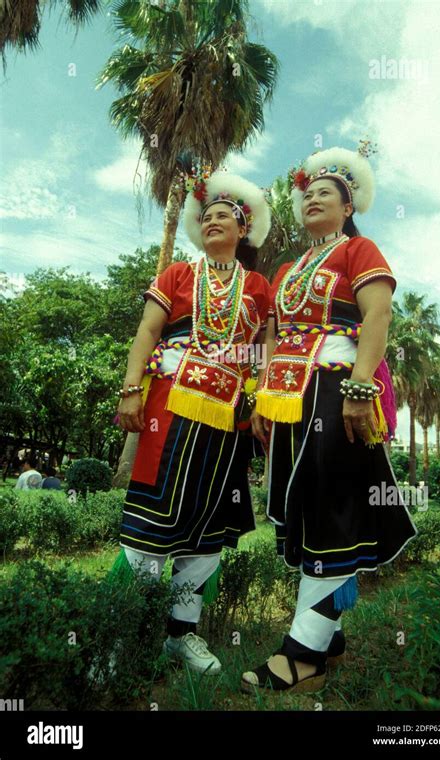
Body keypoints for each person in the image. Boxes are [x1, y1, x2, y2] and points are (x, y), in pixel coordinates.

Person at [241, 143, 418, 693]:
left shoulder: (359, 250)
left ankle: (304, 656)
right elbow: (271, 335)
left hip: (336, 389)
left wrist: (360, 387)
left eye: (327, 194)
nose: (313, 200)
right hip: (288, 399)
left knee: (330, 510)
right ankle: (328, 634)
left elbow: (377, 312)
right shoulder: (288, 268)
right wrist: (260, 395)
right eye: (309, 194)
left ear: (348, 208)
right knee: (303, 508)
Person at [116, 169, 271, 675]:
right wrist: (131, 388)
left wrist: (263, 399)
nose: (212, 222)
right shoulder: (178, 276)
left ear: (242, 229)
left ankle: (181, 636)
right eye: (206, 217)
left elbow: (265, 351)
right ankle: (118, 635)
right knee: (151, 521)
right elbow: (147, 329)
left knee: (207, 528)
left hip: (228, 422)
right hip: (169, 408)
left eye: (223, 216)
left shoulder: (260, 288)